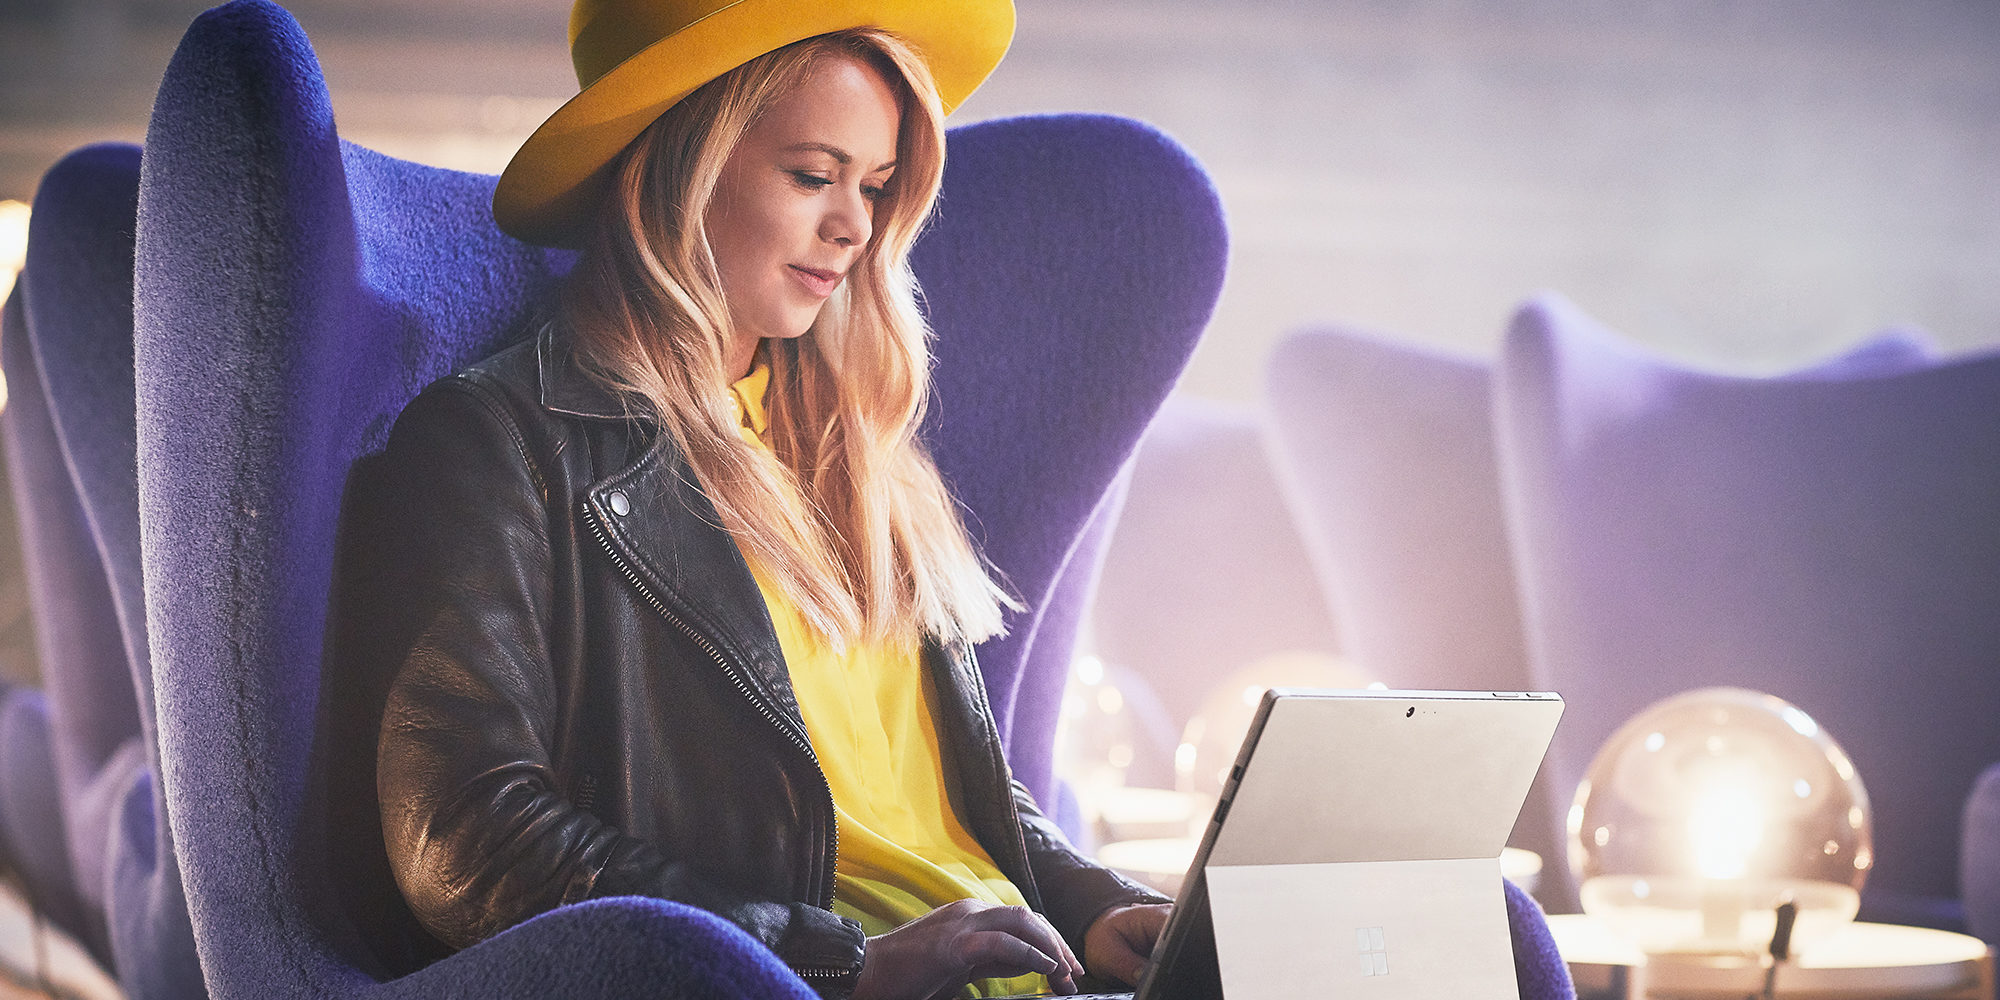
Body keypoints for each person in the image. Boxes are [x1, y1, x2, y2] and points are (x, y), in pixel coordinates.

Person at [352, 1, 1172, 996]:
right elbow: (465, 838)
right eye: (812, 175)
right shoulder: (495, 442)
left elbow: (925, 798)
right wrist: (841, 960)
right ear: (674, 163)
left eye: (874, 186)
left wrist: (1094, 906)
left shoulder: (844, 444)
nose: (854, 225)